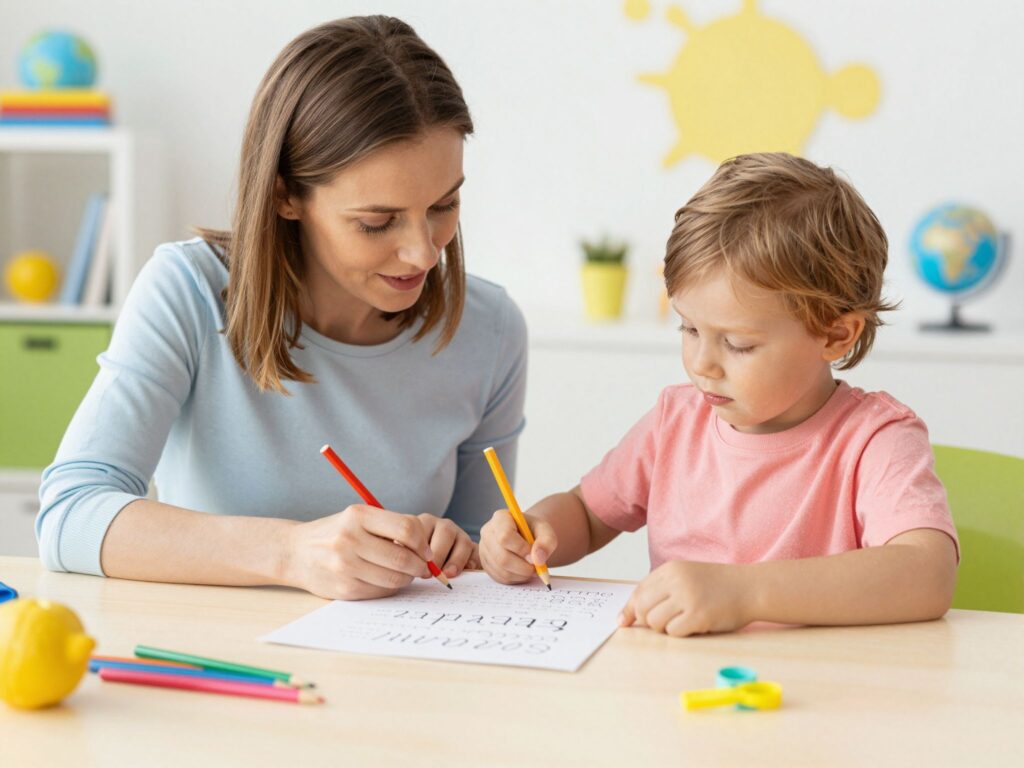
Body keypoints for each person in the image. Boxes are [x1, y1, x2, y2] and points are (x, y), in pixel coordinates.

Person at [37, 16, 527, 601]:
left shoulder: (490, 331)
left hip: (395, 673)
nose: (423, 252)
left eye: (444, 205)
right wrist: (291, 553)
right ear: (284, 195)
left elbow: (483, 558)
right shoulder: (188, 291)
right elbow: (70, 514)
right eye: (377, 221)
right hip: (216, 663)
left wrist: (462, 549)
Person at [479, 153, 958, 637]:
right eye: (689, 328)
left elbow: (927, 573)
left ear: (835, 335)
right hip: (682, 691)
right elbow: (586, 512)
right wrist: (534, 531)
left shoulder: (874, 439)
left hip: (818, 694)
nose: (701, 363)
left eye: (737, 343)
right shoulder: (675, 422)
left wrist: (745, 593)